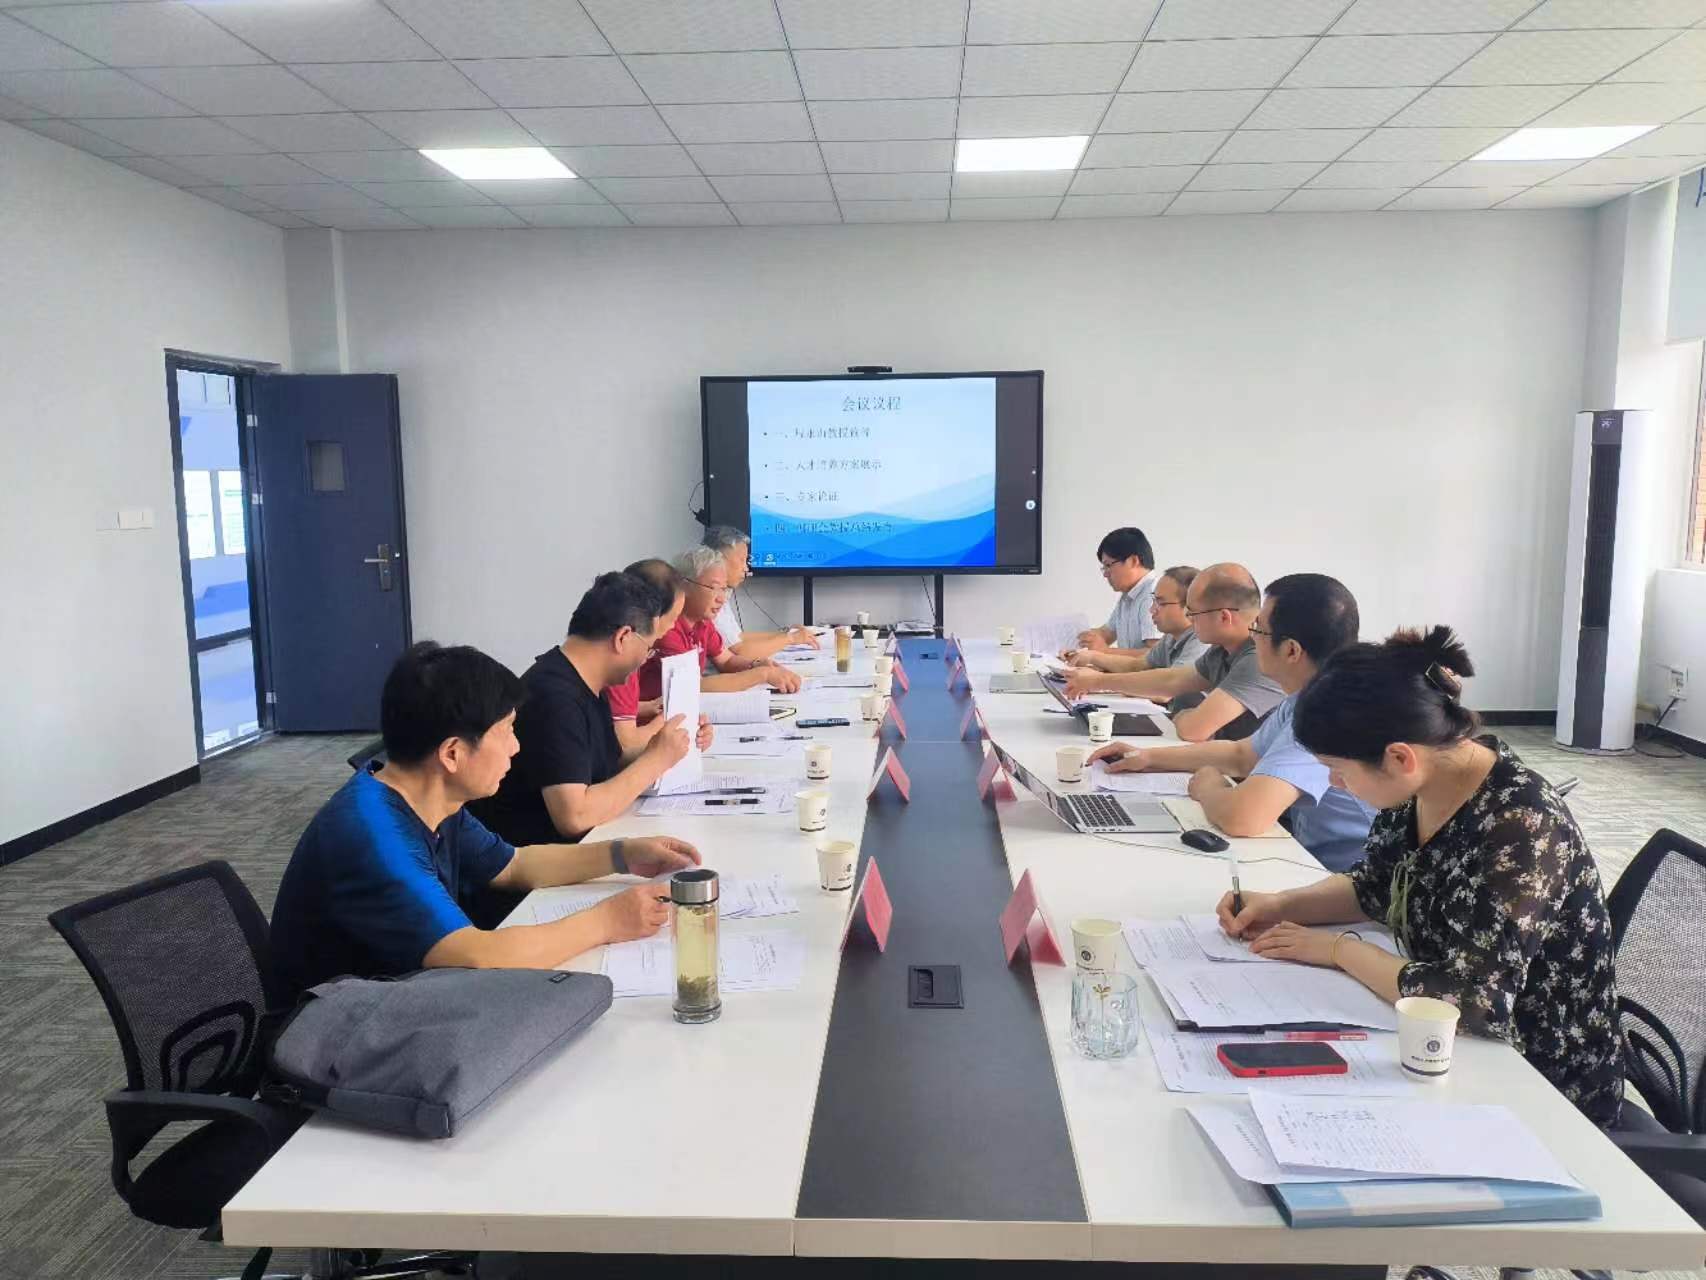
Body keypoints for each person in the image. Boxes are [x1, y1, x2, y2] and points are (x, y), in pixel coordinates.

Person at [1217, 626, 1622, 1127]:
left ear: (1398, 757)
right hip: (1436, 1043)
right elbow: (1374, 886)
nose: (1333, 783)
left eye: (1338, 769)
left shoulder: (1521, 826)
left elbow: (1472, 1001)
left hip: (1539, 1083)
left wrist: (1340, 951)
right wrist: (1281, 905)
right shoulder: (1419, 784)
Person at [270, 642, 700, 1005]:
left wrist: (622, 854)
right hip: (329, 1037)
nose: (516, 748)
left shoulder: (429, 796)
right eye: (507, 731)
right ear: (452, 754)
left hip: (391, 1002)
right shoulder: (376, 836)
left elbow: (514, 865)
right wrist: (606, 922)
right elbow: (479, 956)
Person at [1088, 574, 1375, 870]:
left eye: (1258, 629)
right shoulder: (1308, 695)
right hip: (1312, 859)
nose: (1252, 636)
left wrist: (1208, 788)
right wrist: (1147, 758)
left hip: (1349, 877)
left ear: (1291, 650)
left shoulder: (1330, 709)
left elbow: (1245, 817)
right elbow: (1241, 755)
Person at [473, 570, 707, 845]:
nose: (645, 659)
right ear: (623, 637)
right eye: (649, 648)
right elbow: (574, 816)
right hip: (537, 862)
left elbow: (605, 763)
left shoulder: (586, 683)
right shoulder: (554, 698)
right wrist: (655, 761)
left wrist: (670, 745)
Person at [1065, 563, 1284, 742]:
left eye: (1193, 612)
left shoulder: (1258, 656)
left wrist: (1181, 714)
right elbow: (1172, 680)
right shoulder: (1221, 650)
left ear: (1224, 617)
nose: (1190, 619)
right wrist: (1097, 681)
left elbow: (1194, 729)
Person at [636, 545, 802, 702]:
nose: (721, 599)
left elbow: (726, 660)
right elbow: (694, 686)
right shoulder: (668, 627)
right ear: (684, 586)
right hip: (654, 714)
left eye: (724, 589)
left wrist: (755, 665)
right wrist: (762, 675)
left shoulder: (703, 622)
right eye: (714, 588)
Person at [606, 557, 714, 759]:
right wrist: (672, 721)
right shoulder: (620, 659)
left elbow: (605, 712)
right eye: (673, 618)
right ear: (651, 614)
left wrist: (649, 709)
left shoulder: (628, 648)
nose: (673, 626)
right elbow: (625, 747)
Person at [1065, 564, 1207, 678]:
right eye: (1154, 601)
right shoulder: (1170, 639)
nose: (1152, 610)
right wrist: (1092, 657)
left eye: (1161, 603)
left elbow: (1167, 689)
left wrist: (1098, 680)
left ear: (1189, 606)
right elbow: (1136, 666)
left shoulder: (1201, 640)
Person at [702, 525, 819, 661]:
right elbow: (739, 653)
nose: (746, 568)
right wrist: (790, 639)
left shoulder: (721, 593)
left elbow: (737, 637)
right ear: (718, 560)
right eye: (741, 560)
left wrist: (785, 636)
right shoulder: (707, 597)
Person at [1071, 527, 1162, 659]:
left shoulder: (1154, 594)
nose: (1105, 574)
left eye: (1108, 565)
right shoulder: (1128, 595)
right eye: (1104, 568)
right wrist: (1072, 640)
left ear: (1133, 561)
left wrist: (1105, 651)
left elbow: (1156, 655)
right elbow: (1106, 633)